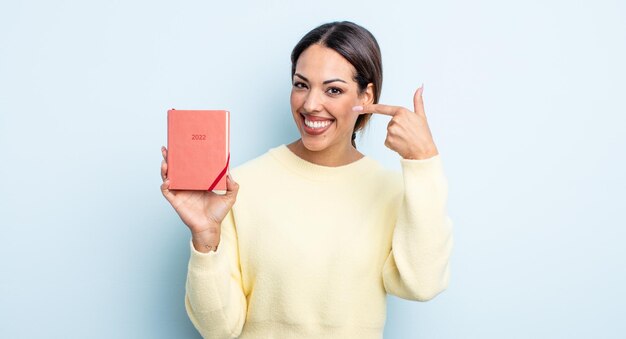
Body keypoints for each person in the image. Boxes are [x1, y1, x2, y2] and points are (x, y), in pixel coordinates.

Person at [160, 20, 453, 339]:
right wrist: (205, 238)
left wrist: (424, 163)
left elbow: (422, 285)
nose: (311, 104)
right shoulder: (241, 187)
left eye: (333, 89)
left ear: (366, 96)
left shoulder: (393, 191)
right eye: (301, 85)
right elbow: (219, 330)